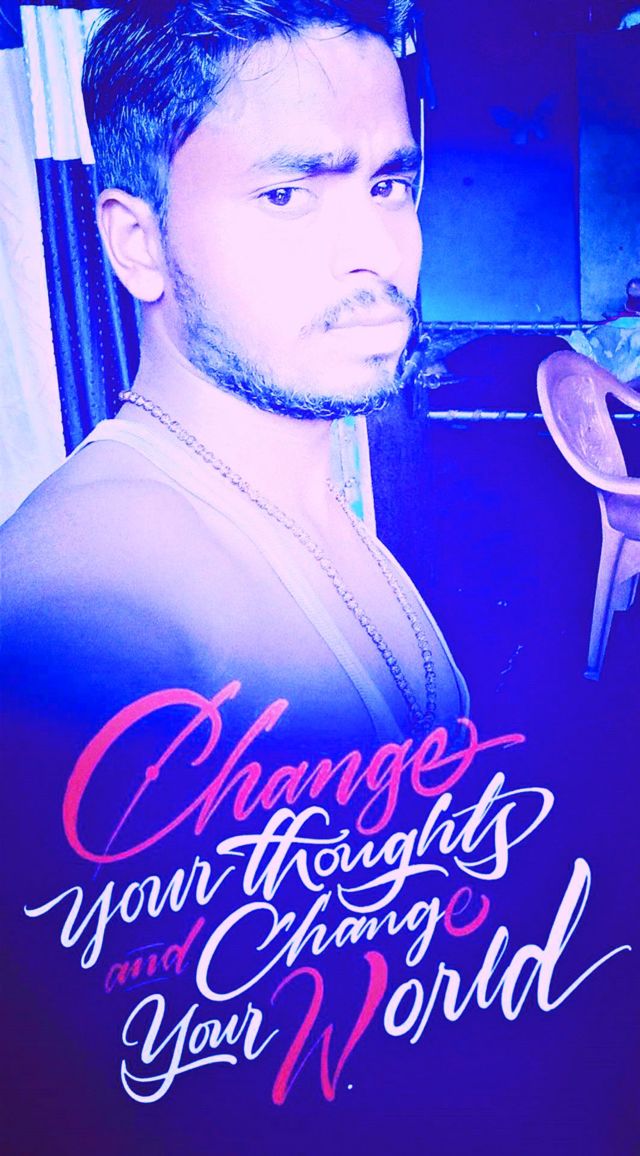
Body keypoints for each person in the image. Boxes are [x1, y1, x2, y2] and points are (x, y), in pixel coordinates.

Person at [0, 2, 468, 1152]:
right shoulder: (88, 616)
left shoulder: (313, 507)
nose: (374, 250)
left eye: (389, 184)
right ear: (138, 244)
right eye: (287, 194)